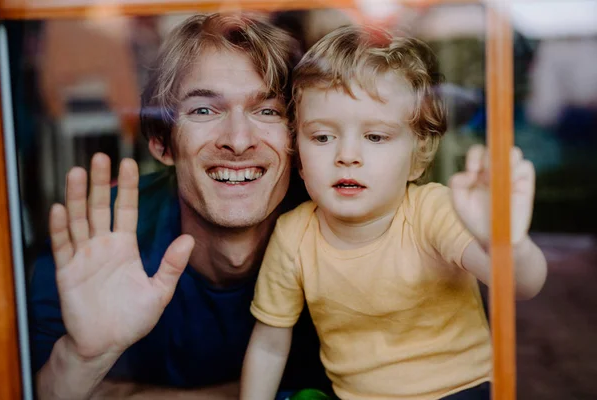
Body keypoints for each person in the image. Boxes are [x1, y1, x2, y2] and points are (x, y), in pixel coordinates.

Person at [30, 13, 329, 399]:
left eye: (267, 110)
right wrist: (81, 360)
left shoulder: (346, 237)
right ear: (162, 143)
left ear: (297, 140)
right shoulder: (93, 244)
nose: (238, 141)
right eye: (204, 110)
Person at [240, 26, 548, 400]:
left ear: (418, 157)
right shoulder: (293, 235)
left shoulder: (432, 211)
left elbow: (520, 286)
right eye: (322, 137)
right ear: (298, 156)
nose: (346, 155)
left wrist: (505, 242)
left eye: (375, 137)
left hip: (463, 390)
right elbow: (270, 344)